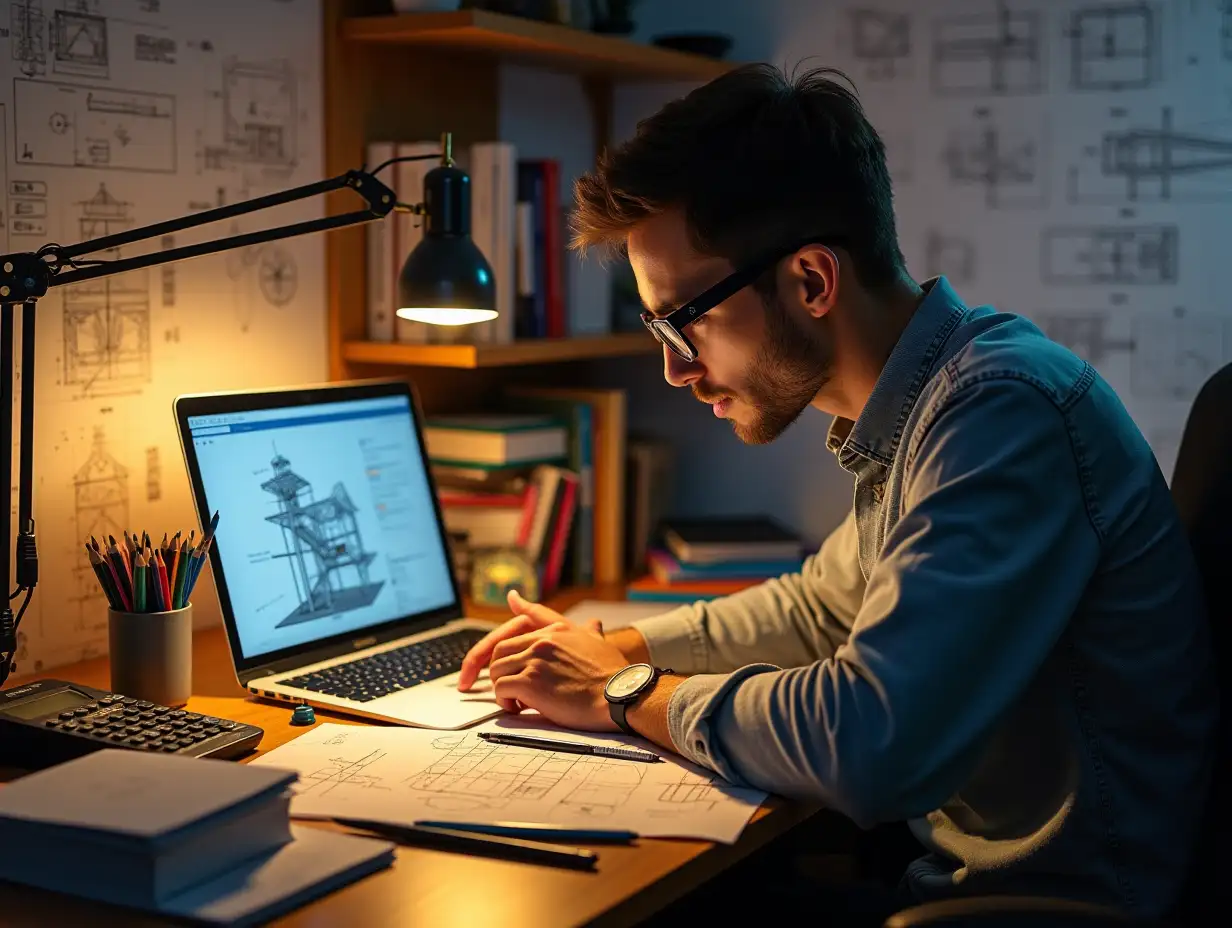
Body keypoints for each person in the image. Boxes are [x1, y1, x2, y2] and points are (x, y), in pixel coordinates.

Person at [456, 64, 1217, 921]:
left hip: (1040, 910)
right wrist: (615, 646)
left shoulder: (1001, 413)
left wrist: (621, 696)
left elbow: (872, 741)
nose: (673, 368)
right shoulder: (932, 402)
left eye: (684, 322)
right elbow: (821, 610)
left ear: (812, 281)